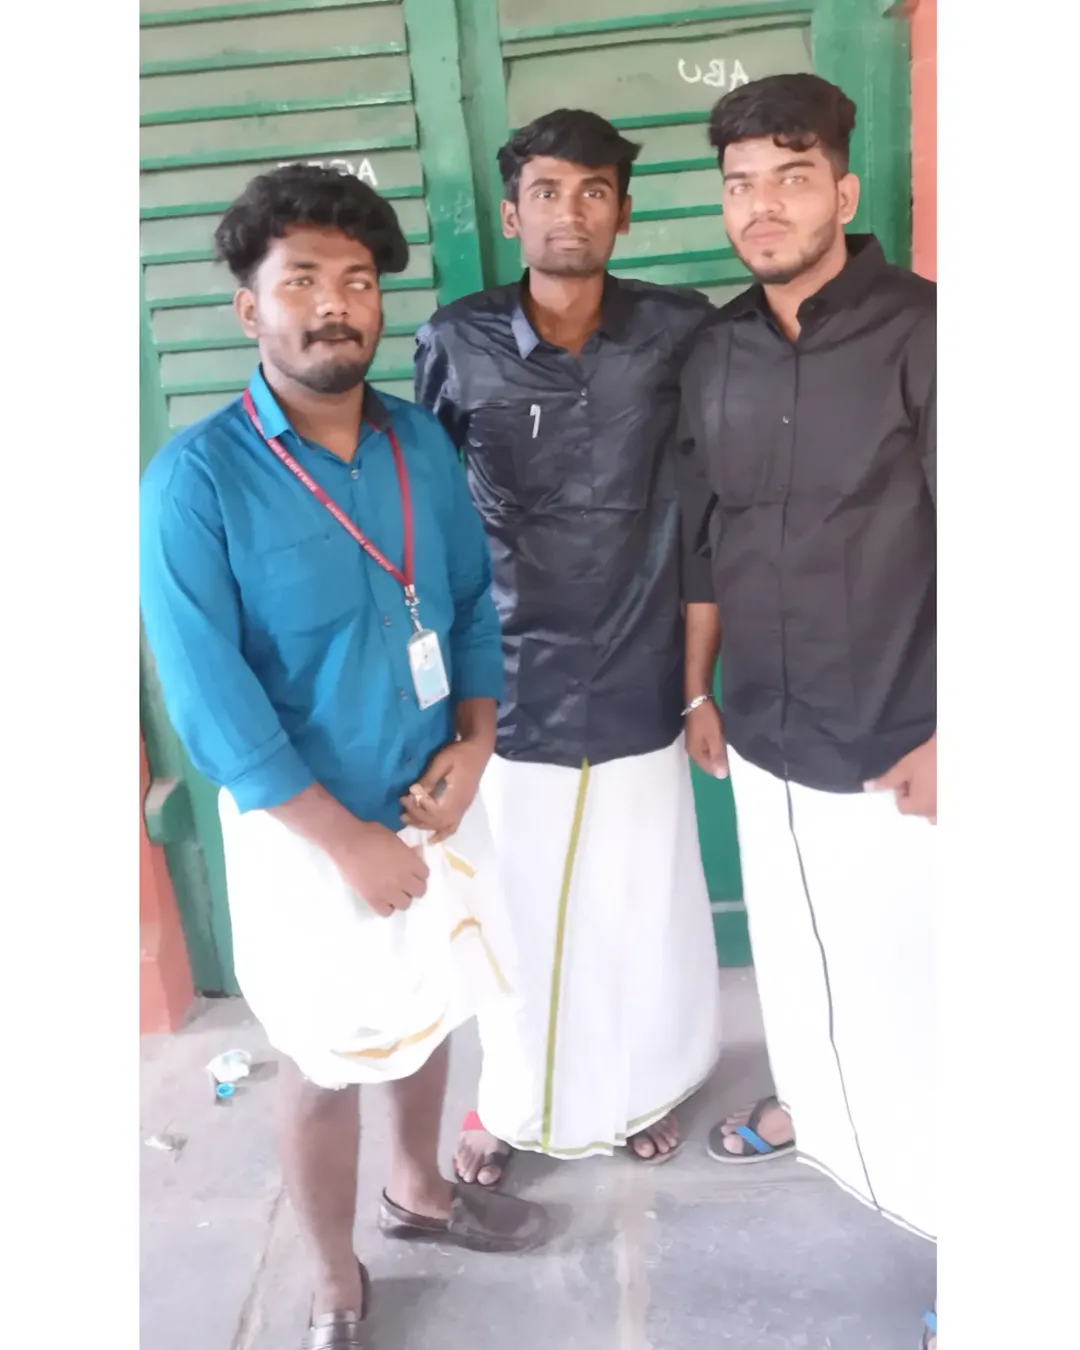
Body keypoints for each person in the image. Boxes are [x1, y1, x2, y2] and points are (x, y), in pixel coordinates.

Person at [140, 164, 546, 1350]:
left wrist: (476, 740)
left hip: (433, 797)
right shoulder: (195, 483)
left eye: (358, 281)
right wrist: (345, 841)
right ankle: (331, 1278)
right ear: (249, 308)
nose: (334, 304)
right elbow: (211, 705)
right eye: (302, 280)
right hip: (303, 832)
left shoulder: (418, 442)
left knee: (430, 1011)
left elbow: (467, 607)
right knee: (321, 1061)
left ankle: (419, 1192)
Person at [415, 109, 722, 1186]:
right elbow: (428, 520)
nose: (570, 212)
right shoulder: (458, 341)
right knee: (515, 905)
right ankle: (507, 1102)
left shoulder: (679, 331)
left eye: (594, 191)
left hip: (641, 667)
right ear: (513, 214)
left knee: (640, 899)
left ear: (623, 213)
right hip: (507, 680)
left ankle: (644, 1087)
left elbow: (709, 502)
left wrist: (698, 685)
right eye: (547, 191)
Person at [677, 71, 936, 1326]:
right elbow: (707, 532)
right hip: (765, 731)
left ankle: (962, 1213)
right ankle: (818, 1110)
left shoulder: (929, 332)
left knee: (927, 986)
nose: (763, 207)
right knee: (798, 950)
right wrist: (697, 690)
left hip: (902, 741)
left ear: (843, 188)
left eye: (791, 178)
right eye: (741, 185)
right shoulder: (715, 351)